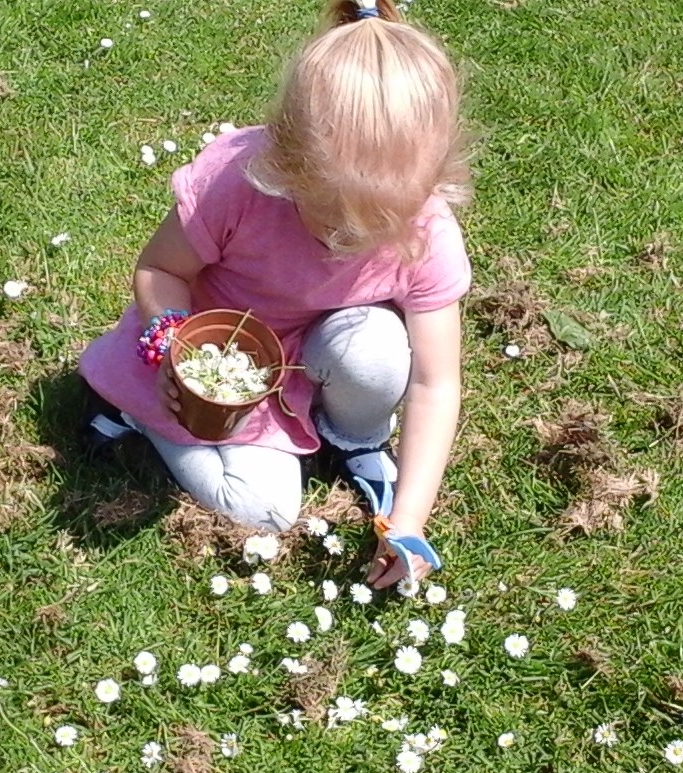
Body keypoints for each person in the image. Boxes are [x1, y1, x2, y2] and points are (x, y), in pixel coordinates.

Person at [79, 0, 471, 589]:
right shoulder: (237, 183)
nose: (347, 237)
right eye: (330, 216)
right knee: (266, 512)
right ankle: (152, 415)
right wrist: (172, 345)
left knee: (378, 350)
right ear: (286, 165)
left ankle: (354, 439)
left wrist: (410, 520)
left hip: (309, 352)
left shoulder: (426, 231)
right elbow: (160, 268)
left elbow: (433, 384)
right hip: (211, 350)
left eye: (373, 223)